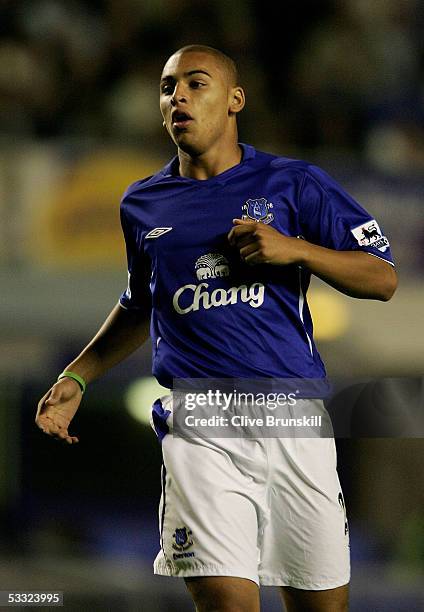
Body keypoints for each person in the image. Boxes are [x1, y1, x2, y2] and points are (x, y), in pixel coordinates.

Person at [35, 45, 397, 612]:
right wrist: (77, 377)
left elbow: (382, 279)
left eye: (195, 83)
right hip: (199, 424)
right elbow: (139, 305)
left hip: (292, 417)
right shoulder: (142, 204)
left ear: (235, 100)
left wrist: (293, 249)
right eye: (166, 86)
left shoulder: (294, 183)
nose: (177, 95)